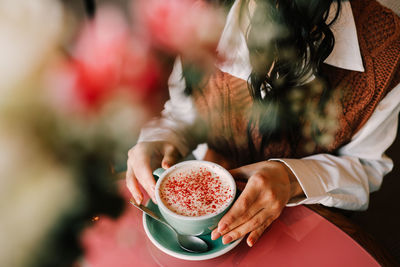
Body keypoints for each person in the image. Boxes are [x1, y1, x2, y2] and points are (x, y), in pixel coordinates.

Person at [126, 0, 400, 248]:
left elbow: (367, 166)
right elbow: (181, 110)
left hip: (313, 221)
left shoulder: (385, 48)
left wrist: (291, 178)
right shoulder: (191, 12)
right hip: (207, 216)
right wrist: (159, 139)